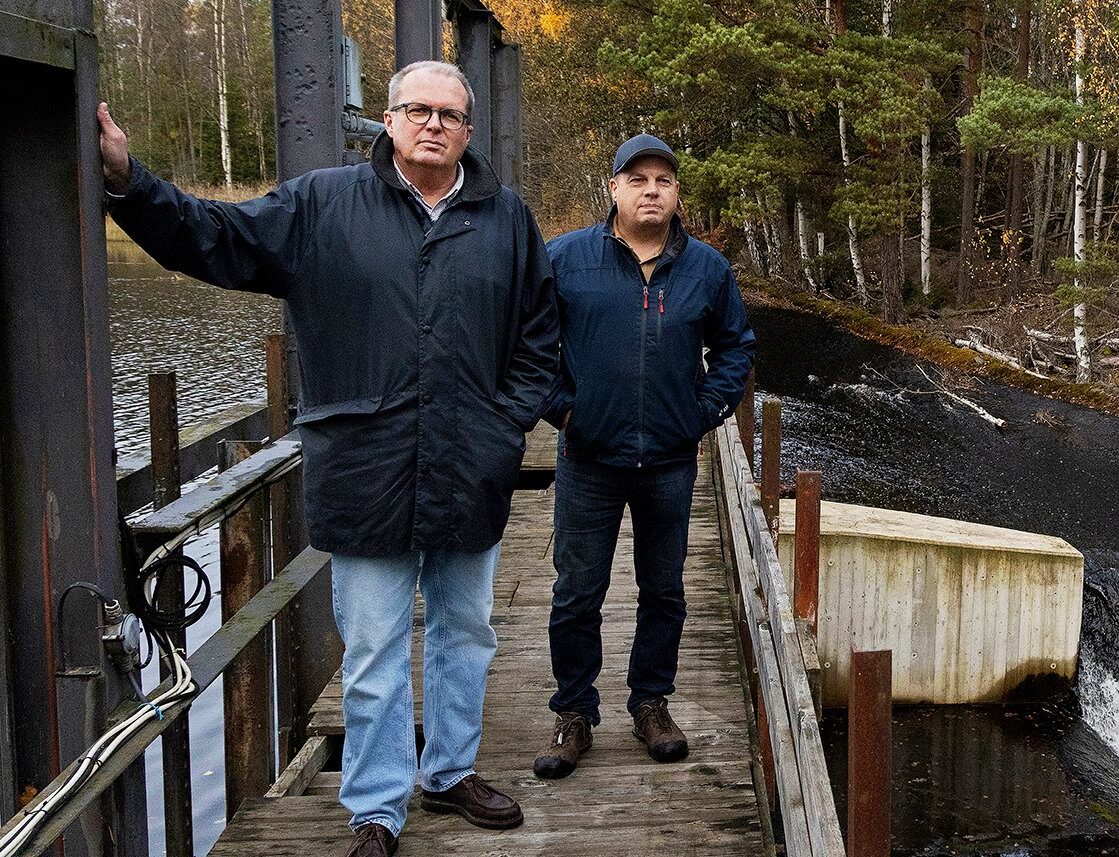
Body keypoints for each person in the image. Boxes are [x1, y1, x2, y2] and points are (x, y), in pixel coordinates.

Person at [99, 60, 560, 857]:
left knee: (466, 630)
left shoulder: (506, 218)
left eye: (449, 115)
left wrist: (504, 422)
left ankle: (448, 772)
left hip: (468, 466)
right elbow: (217, 238)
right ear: (387, 119)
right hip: (366, 466)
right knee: (375, 646)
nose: (432, 125)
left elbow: (539, 337)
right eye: (417, 110)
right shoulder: (321, 204)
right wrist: (131, 183)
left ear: (470, 132)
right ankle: (377, 807)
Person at [532, 134, 754, 779]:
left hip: (668, 460)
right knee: (577, 592)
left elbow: (736, 344)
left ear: (676, 192)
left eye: (662, 179)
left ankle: (651, 703)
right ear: (614, 189)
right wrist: (563, 409)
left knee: (664, 590)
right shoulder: (567, 259)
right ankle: (574, 712)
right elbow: (529, 341)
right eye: (637, 179)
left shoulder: (707, 269)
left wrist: (704, 409)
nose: (651, 189)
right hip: (589, 457)